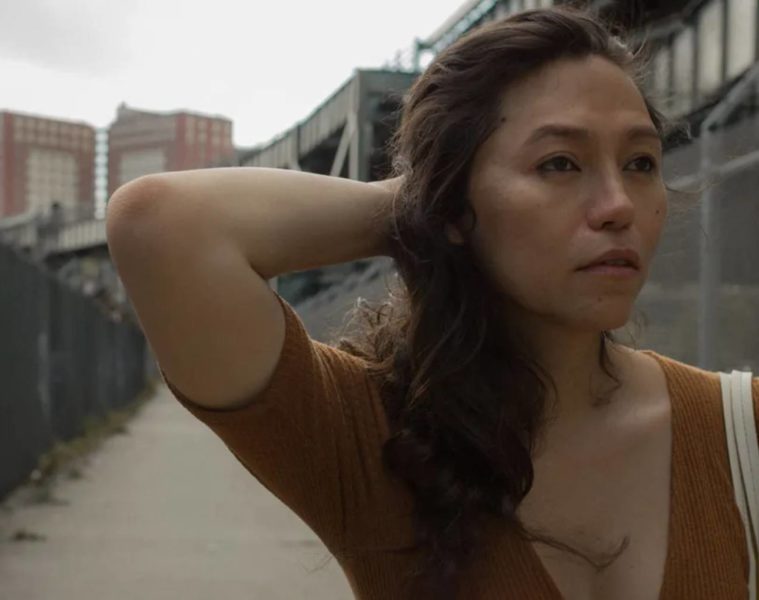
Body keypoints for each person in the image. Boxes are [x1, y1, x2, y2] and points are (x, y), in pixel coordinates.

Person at [105, 5, 758, 600]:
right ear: (451, 205)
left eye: (640, 163)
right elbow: (160, 225)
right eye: (560, 163)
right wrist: (429, 202)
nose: (618, 205)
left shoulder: (740, 431)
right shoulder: (371, 437)